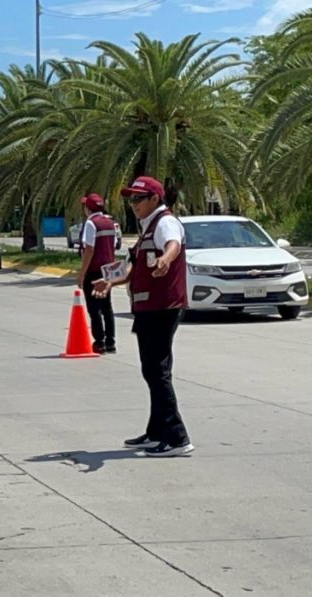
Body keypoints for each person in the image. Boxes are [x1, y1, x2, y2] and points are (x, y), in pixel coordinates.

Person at [92, 176, 193, 457]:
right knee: (152, 371)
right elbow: (132, 267)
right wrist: (111, 282)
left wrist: (165, 259)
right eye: (131, 199)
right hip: (149, 308)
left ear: (154, 199)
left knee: (158, 372)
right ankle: (156, 431)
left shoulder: (165, 223)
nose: (133, 204)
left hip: (163, 307)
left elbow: (172, 244)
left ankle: (177, 438)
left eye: (139, 198)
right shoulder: (147, 228)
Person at [75, 193, 117, 354]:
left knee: (94, 309)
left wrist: (82, 273)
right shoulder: (110, 223)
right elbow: (114, 245)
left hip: (94, 271)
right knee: (107, 307)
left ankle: (99, 342)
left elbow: (89, 249)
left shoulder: (91, 224)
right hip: (108, 270)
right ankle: (111, 342)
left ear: (88, 208)